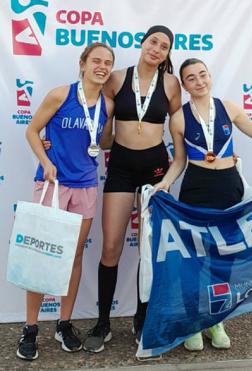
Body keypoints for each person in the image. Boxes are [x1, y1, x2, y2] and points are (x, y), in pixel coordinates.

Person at [152, 57, 252, 351]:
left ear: (210, 77)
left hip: (229, 187)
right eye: (191, 78)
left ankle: (216, 320)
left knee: (224, 257)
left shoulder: (228, 108)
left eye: (203, 75)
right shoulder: (178, 118)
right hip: (197, 188)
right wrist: (165, 182)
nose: (198, 81)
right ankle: (192, 323)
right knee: (196, 259)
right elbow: (179, 161)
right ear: (184, 85)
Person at [83, 25, 182, 353]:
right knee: (110, 247)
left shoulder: (171, 83)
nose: (157, 49)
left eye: (164, 46)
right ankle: (103, 322)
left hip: (156, 169)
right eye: (153, 41)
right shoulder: (116, 78)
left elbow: (182, 131)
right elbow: (100, 124)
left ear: (167, 54)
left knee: (148, 249)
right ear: (143, 43)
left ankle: (142, 318)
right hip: (121, 167)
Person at [17, 43, 115, 361]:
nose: (102, 66)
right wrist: (46, 161)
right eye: (96, 61)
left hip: (86, 186)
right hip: (54, 185)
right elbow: (32, 131)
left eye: (108, 63)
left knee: (73, 257)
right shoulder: (61, 95)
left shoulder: (108, 105)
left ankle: (64, 323)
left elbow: (103, 140)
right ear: (83, 63)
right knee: (42, 258)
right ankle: (30, 328)